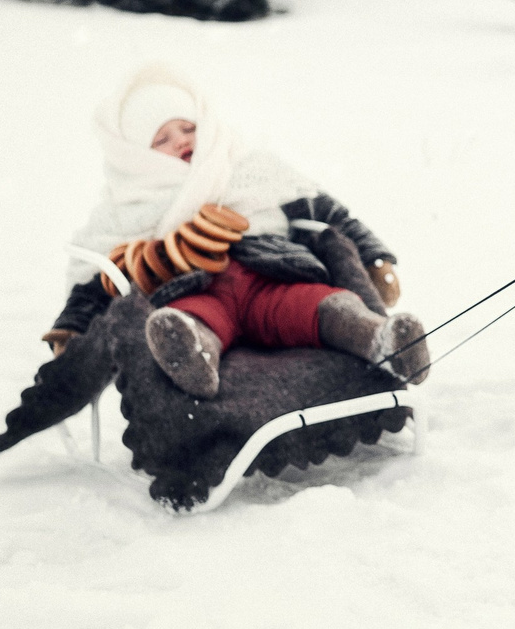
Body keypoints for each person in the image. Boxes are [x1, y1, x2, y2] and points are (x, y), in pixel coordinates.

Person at [44, 64, 428, 398]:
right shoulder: (128, 202)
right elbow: (99, 274)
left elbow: (327, 212)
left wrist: (374, 257)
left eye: (188, 127)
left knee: (318, 303)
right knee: (186, 320)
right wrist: (73, 327)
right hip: (194, 290)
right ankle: (193, 357)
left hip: (270, 277)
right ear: (137, 154)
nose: (180, 140)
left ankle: (380, 338)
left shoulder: (246, 166)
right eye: (161, 139)